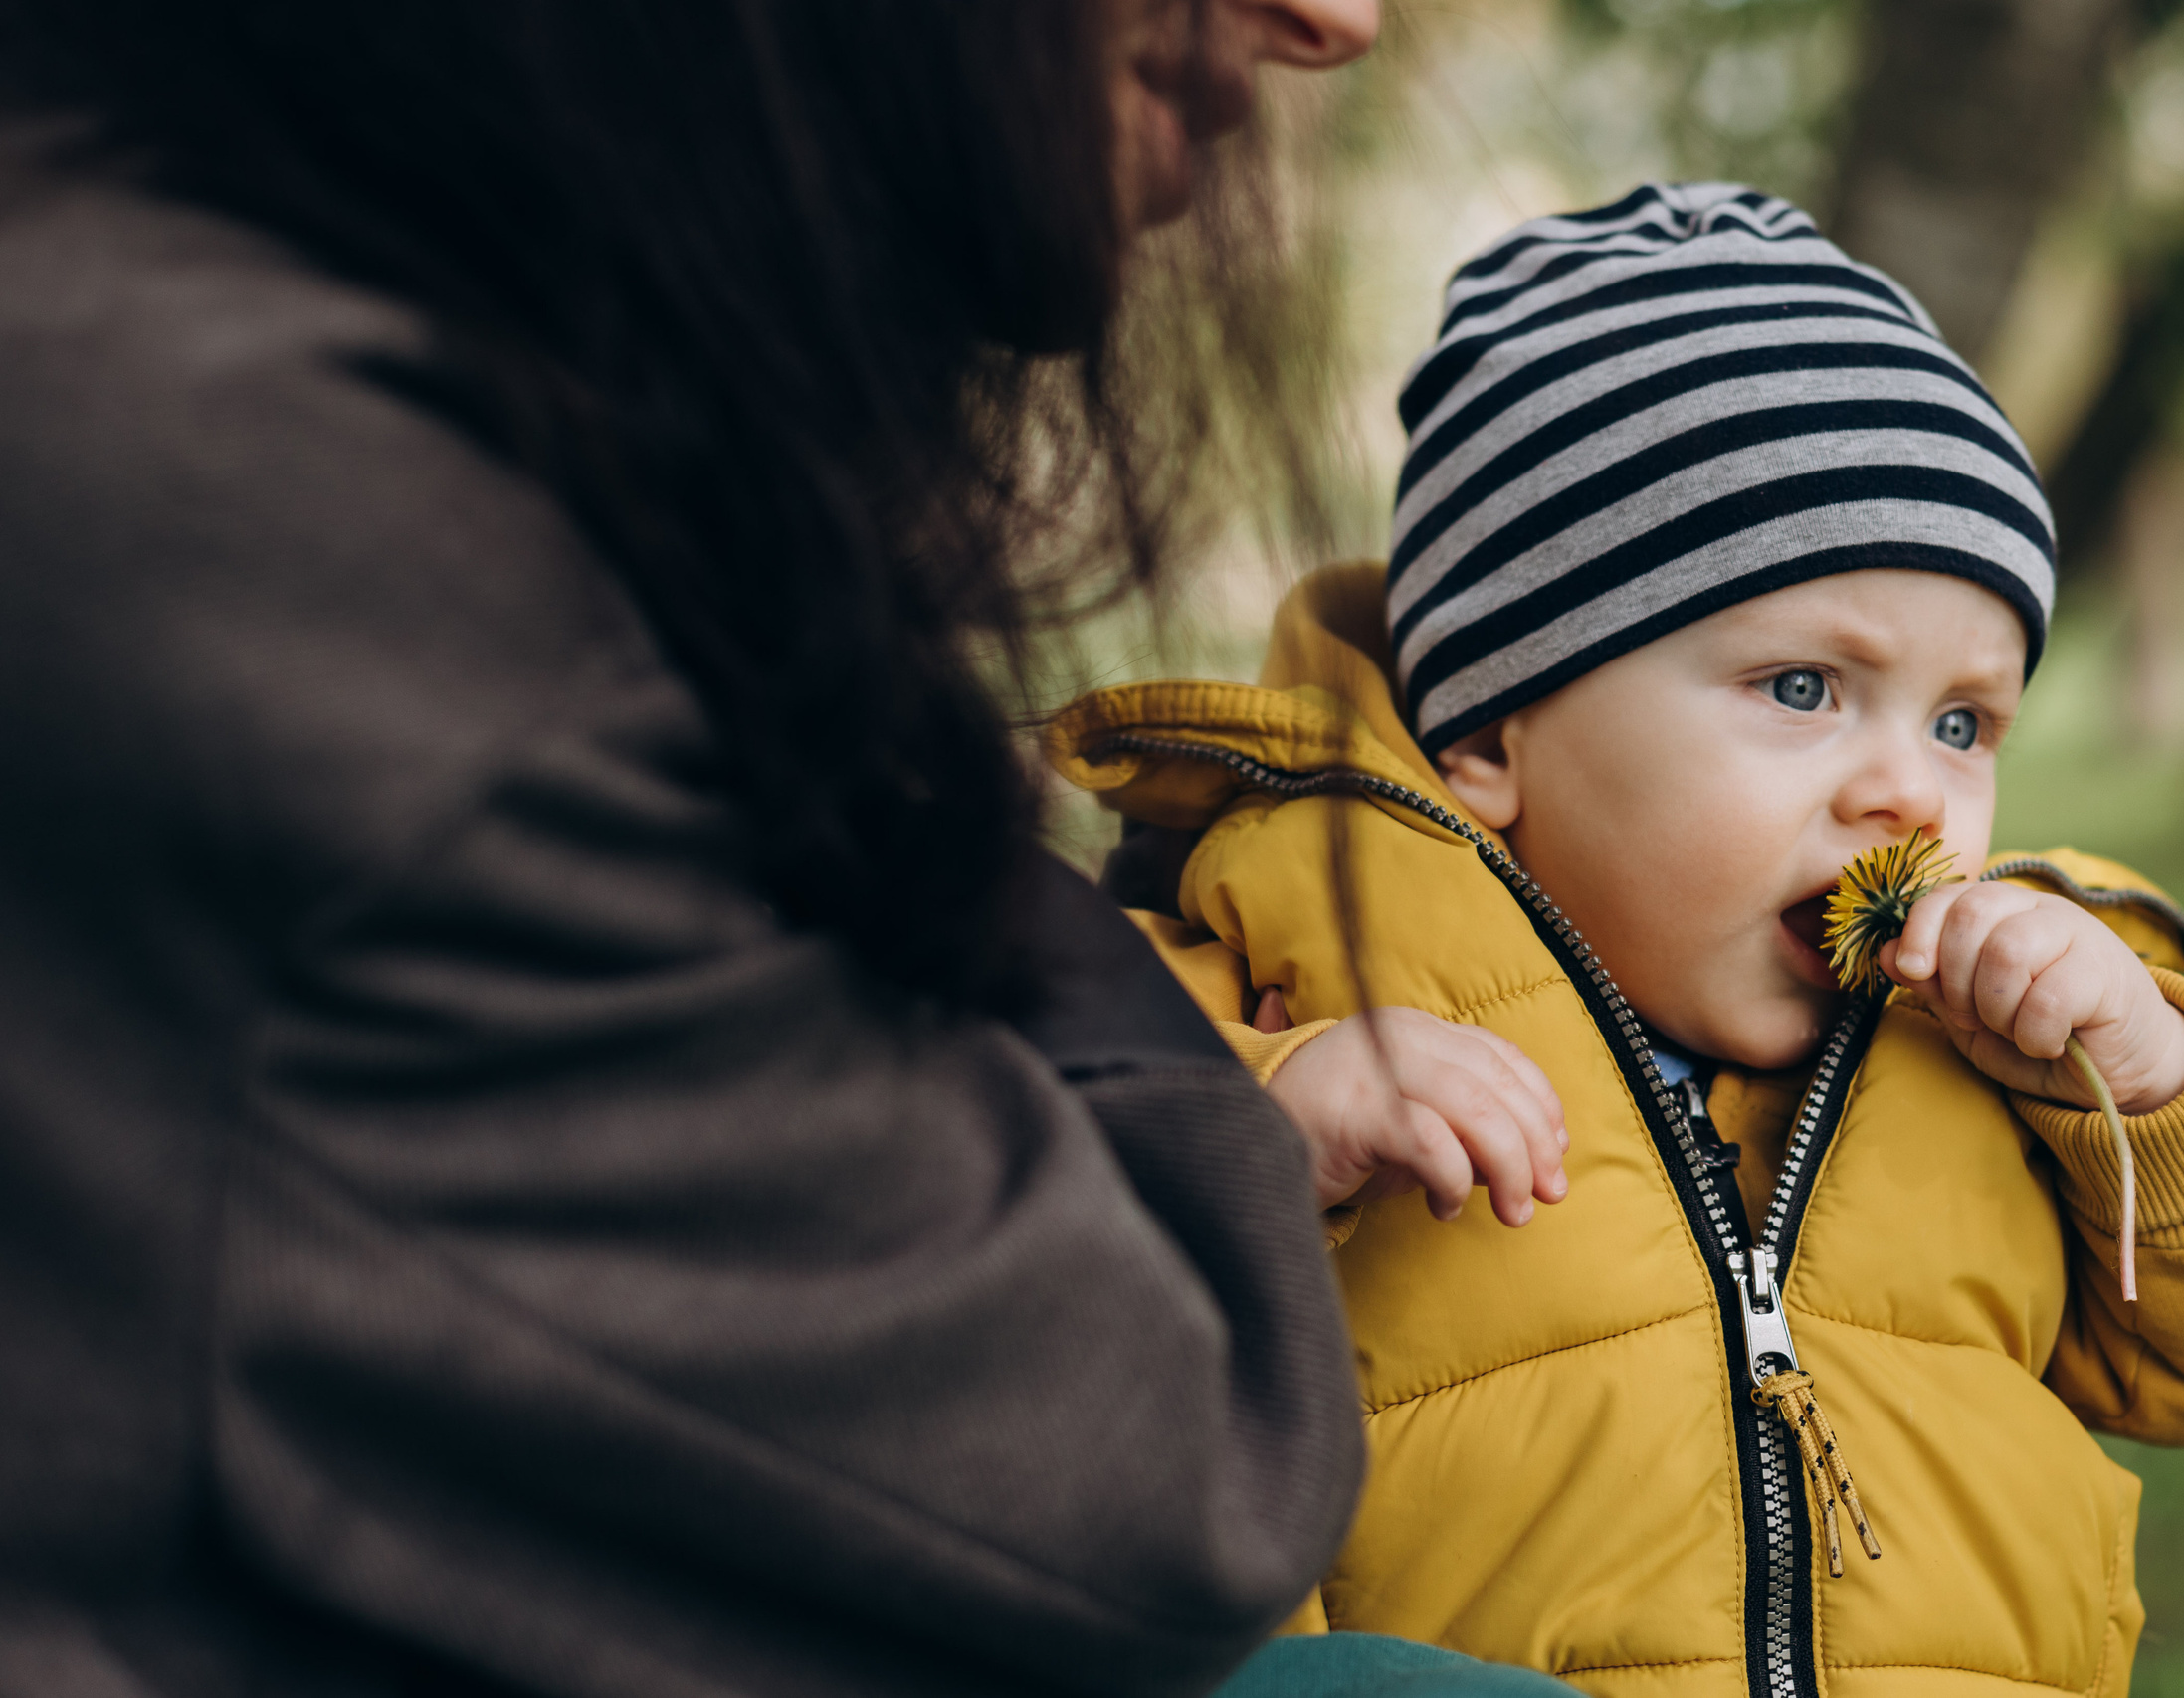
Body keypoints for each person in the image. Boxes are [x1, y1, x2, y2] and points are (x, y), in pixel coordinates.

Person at [0, 4, 1594, 1696]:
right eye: (1792, 690)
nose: (1332, 19)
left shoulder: (167, 326)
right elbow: (1168, 1477)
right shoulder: (291, 539)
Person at [1049, 183, 2184, 1696]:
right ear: (1491, 733)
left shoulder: (2010, 1044)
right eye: (1803, 688)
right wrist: (1265, 1128)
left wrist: (2148, 1089)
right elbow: (1021, 1280)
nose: (1906, 792)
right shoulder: (1286, 957)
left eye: (1963, 723)